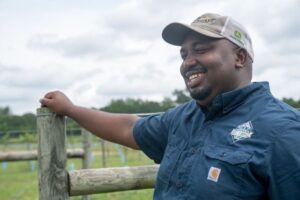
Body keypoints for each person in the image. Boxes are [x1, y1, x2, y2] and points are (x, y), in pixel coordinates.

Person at [40, 13, 300, 200]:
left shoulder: (282, 131)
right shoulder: (185, 117)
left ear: (239, 57)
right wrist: (71, 109)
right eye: (184, 54)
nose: (188, 62)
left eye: (200, 49)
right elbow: (129, 128)